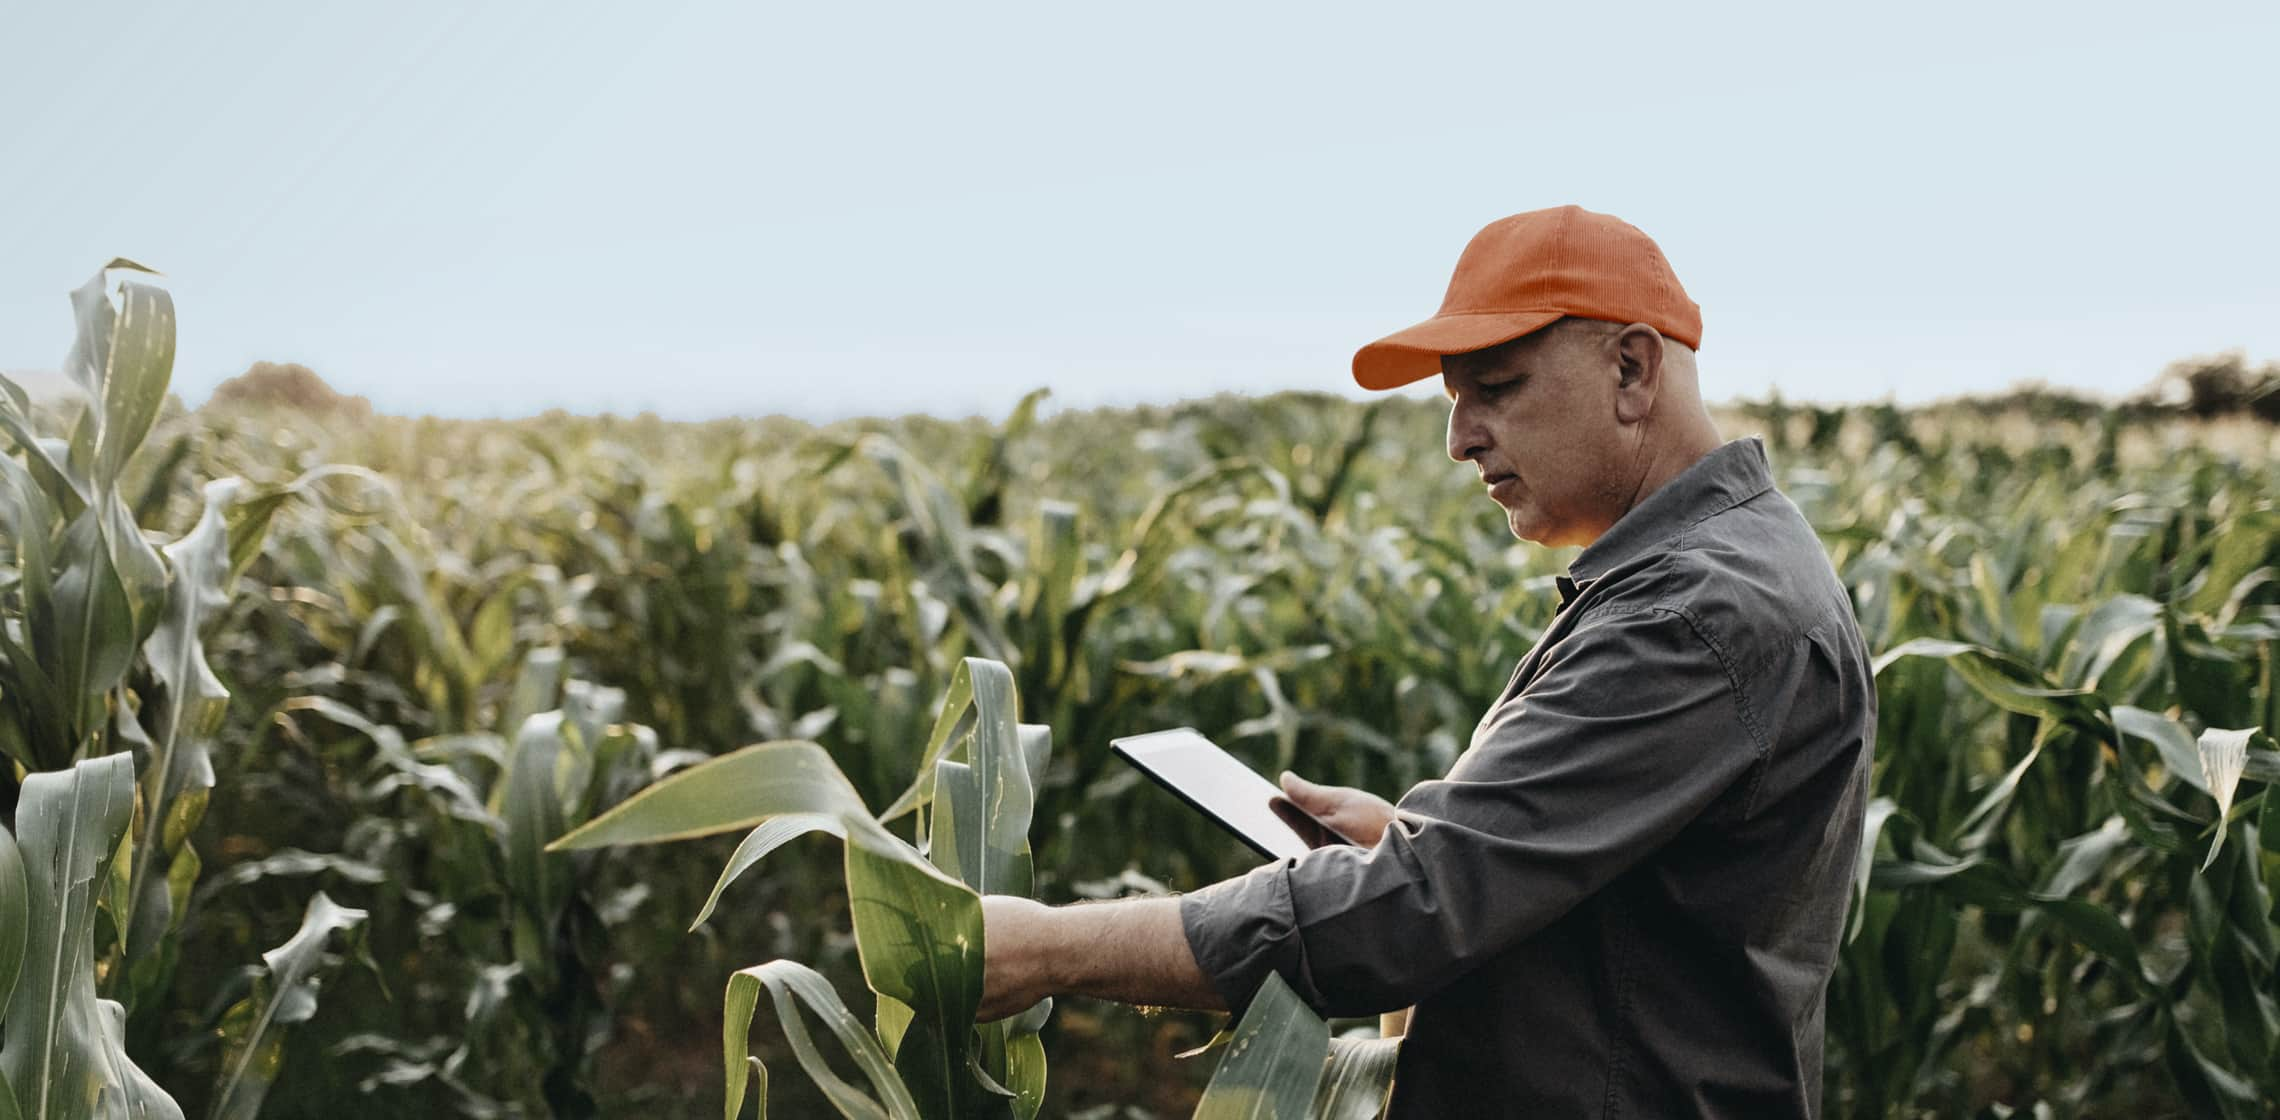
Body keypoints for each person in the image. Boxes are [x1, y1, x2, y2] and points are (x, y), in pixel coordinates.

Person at [979, 205, 1876, 1118]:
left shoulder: (1694, 614)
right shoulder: (1726, 564)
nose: (1460, 438)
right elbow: (1630, 899)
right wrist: (1414, 845)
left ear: (1633, 368)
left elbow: (1411, 913)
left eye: (1496, 387)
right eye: (1454, 400)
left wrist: (1046, 950)